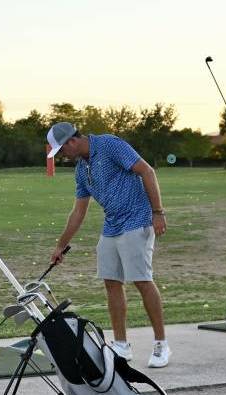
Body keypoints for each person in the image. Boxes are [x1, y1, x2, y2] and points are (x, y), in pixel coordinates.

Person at [46, 121, 171, 368]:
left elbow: (147, 171)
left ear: (72, 141)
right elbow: (78, 211)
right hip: (112, 225)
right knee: (111, 282)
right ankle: (121, 345)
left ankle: (161, 344)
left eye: (62, 150)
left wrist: (158, 212)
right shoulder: (81, 169)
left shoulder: (109, 145)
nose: (63, 156)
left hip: (137, 220)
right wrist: (61, 245)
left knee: (142, 280)